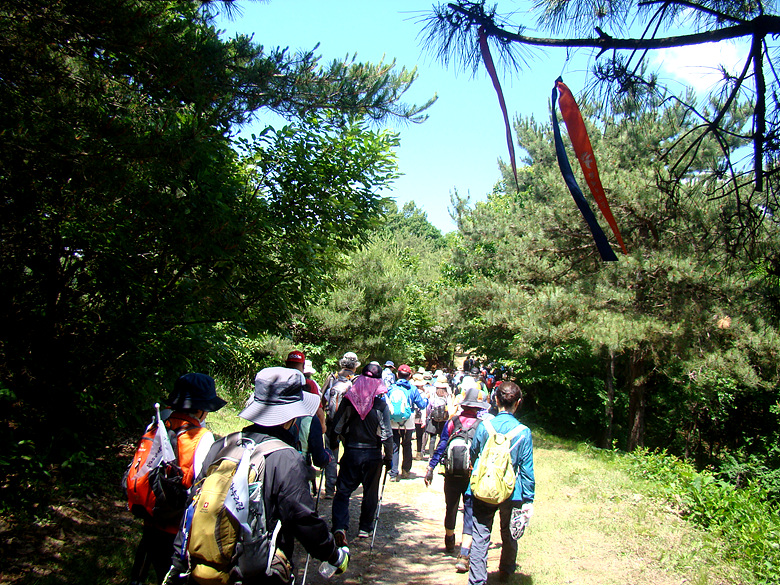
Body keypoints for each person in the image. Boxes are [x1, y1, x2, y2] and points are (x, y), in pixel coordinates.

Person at [166, 367, 347, 584]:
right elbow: (304, 521)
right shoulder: (286, 458)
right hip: (256, 571)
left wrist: (178, 561)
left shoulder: (222, 445)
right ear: (290, 415)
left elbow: (193, 506)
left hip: (206, 568)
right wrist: (334, 554)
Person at [128, 373, 226, 585]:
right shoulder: (202, 437)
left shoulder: (156, 427)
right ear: (201, 409)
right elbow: (201, 486)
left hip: (151, 518)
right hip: (177, 528)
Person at [468, 381, 535, 585]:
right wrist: (528, 499)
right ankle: (505, 572)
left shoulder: (485, 425)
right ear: (519, 403)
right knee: (509, 533)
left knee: (480, 534)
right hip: (511, 491)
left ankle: (477, 580)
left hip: (484, 488)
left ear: (495, 400)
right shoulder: (523, 432)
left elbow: (474, 452)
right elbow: (526, 469)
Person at [424, 385, 490, 573]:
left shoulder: (453, 422)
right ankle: (464, 554)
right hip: (471, 475)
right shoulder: (482, 426)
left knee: (450, 506)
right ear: (479, 407)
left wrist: (431, 467)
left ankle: (449, 538)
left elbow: (442, 445)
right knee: (469, 511)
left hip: (451, 474)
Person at [328, 363, 393, 545]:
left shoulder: (349, 401)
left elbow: (337, 427)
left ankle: (340, 526)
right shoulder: (380, 405)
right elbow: (387, 435)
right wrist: (388, 458)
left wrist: (334, 445)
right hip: (373, 454)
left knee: (342, 491)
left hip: (351, 452)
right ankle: (364, 528)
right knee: (370, 493)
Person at [322, 351, 360, 497]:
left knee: (331, 454)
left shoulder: (332, 378)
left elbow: (322, 400)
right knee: (349, 454)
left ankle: (329, 489)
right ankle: (344, 486)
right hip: (348, 424)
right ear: (355, 366)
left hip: (331, 422)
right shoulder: (356, 380)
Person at [387, 364, 428, 481]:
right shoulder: (413, 389)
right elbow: (422, 405)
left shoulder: (391, 388)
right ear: (410, 376)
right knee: (407, 445)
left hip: (393, 421)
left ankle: (393, 473)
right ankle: (405, 470)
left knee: (394, 446)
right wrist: (426, 400)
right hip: (408, 422)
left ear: (397, 375)